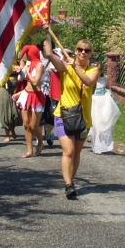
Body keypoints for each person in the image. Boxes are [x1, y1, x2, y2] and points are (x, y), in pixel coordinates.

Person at [43, 26, 101, 199]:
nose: (83, 52)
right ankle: (68, 184)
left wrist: (75, 67)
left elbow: (88, 82)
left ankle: (71, 180)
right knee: (68, 151)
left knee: (76, 152)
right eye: (80, 49)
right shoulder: (65, 67)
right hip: (64, 115)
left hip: (83, 118)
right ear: (75, 51)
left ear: (91, 53)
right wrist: (47, 31)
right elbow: (48, 54)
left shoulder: (94, 70)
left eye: (87, 50)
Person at [13, 44, 46, 158]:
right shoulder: (29, 64)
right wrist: (18, 93)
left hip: (37, 96)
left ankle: (40, 143)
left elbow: (35, 82)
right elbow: (26, 83)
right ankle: (29, 150)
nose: (28, 55)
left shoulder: (40, 65)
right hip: (26, 94)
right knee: (26, 124)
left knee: (33, 125)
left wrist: (27, 70)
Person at [0, 66, 22, 143]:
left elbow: (23, 68)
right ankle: (7, 135)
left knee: (15, 112)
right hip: (4, 88)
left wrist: (18, 68)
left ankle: (12, 130)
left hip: (15, 87)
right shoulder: (1, 61)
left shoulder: (17, 59)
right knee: (5, 111)